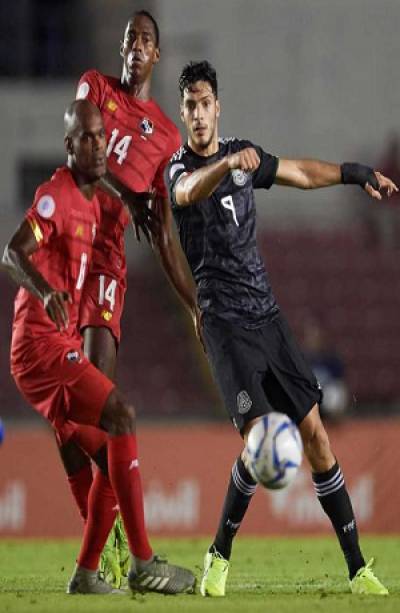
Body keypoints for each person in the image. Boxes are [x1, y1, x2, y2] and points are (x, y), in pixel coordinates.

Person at [165, 60, 397, 597]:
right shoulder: (179, 168)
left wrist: (354, 171)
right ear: (183, 113)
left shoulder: (245, 154)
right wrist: (226, 167)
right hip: (223, 324)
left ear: (218, 106)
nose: (199, 113)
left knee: (315, 435)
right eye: (190, 105)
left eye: (206, 103)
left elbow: (297, 173)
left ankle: (358, 567)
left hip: (267, 316)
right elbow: (187, 194)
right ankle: (219, 555)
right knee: (260, 436)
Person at [2, 99, 195, 596]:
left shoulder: (91, 198)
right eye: (86, 138)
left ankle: (88, 573)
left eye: (100, 138)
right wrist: (45, 291)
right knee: (123, 414)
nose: (97, 146)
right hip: (39, 346)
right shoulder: (57, 195)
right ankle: (142, 561)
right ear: (68, 145)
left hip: (52, 344)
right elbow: (12, 251)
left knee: (111, 451)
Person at [55, 9, 199, 588]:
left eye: (147, 39)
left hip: (107, 268)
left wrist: (191, 302)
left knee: (97, 398)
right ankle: (105, 527)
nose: (136, 45)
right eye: (130, 37)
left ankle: (113, 547)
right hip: (67, 247)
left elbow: (160, 229)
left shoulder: (165, 134)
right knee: (69, 420)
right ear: (121, 48)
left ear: (156, 56)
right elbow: (83, 162)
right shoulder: (94, 86)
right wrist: (127, 193)